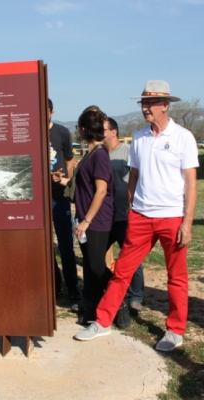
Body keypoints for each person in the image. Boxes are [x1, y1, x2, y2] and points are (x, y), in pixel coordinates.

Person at [74, 80, 199, 352]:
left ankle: (175, 330)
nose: (145, 108)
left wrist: (187, 221)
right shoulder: (140, 138)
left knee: (176, 277)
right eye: (142, 103)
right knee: (122, 273)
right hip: (141, 216)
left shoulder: (183, 137)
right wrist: (131, 205)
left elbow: (191, 182)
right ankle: (103, 321)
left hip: (172, 217)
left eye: (150, 103)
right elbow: (134, 176)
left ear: (165, 105)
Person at [55, 109, 121, 324]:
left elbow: (101, 191)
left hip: (96, 220)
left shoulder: (100, 155)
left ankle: (118, 302)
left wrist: (86, 220)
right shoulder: (90, 154)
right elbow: (81, 188)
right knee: (92, 271)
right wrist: (60, 179)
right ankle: (93, 311)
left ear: (82, 130)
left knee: (95, 266)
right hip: (86, 219)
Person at [103, 117, 145, 315]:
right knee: (96, 257)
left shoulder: (127, 151)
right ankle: (106, 293)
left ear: (114, 132)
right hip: (104, 217)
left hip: (125, 215)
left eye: (103, 130)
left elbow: (139, 178)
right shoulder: (98, 153)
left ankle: (135, 297)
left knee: (132, 261)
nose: (100, 134)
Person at [48, 98, 80, 301]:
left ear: (51, 111)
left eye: (45, 110)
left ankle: (73, 288)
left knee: (66, 246)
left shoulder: (61, 132)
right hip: (40, 201)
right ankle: (55, 285)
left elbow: (69, 160)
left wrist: (65, 183)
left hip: (59, 198)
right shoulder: (28, 132)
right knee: (45, 247)